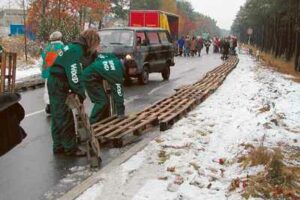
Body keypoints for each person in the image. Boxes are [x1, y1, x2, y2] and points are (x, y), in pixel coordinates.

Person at [47, 28, 100, 156]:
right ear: (91, 42)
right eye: (95, 45)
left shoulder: (74, 47)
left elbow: (78, 69)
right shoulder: (75, 51)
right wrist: (80, 94)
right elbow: (74, 75)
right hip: (58, 83)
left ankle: (58, 145)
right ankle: (70, 148)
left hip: (56, 81)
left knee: (57, 115)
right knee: (65, 117)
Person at [83, 52, 125, 124]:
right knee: (102, 102)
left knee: (105, 101)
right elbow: (119, 94)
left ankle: (102, 121)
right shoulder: (117, 73)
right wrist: (121, 113)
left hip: (91, 74)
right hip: (89, 78)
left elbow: (98, 55)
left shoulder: (113, 57)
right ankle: (91, 123)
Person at [41, 31, 64, 115]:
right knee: (59, 90)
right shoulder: (62, 47)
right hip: (58, 73)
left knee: (47, 89)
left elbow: (42, 61)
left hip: (48, 72)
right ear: (60, 38)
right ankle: (59, 107)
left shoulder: (47, 48)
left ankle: (49, 106)